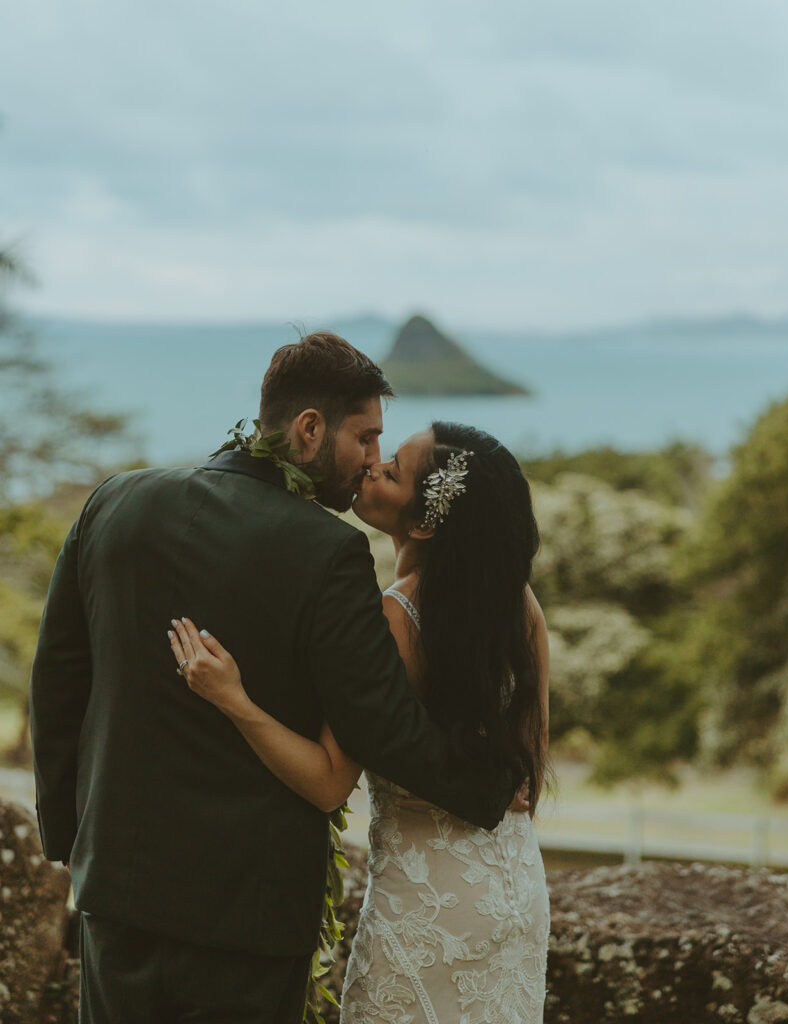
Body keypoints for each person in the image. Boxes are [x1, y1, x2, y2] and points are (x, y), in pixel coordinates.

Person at [29, 334, 520, 1024]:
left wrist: (69, 841)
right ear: (309, 428)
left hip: (120, 890)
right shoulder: (329, 551)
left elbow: (57, 684)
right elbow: (380, 725)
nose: (373, 461)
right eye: (365, 437)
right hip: (248, 915)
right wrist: (492, 785)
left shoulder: (114, 502)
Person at [168, 421, 551, 1023]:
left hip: (426, 906)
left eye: (392, 471)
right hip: (514, 884)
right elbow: (528, 767)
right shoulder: (519, 605)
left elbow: (326, 782)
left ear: (424, 523)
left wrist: (233, 698)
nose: (371, 467)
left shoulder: (395, 619)